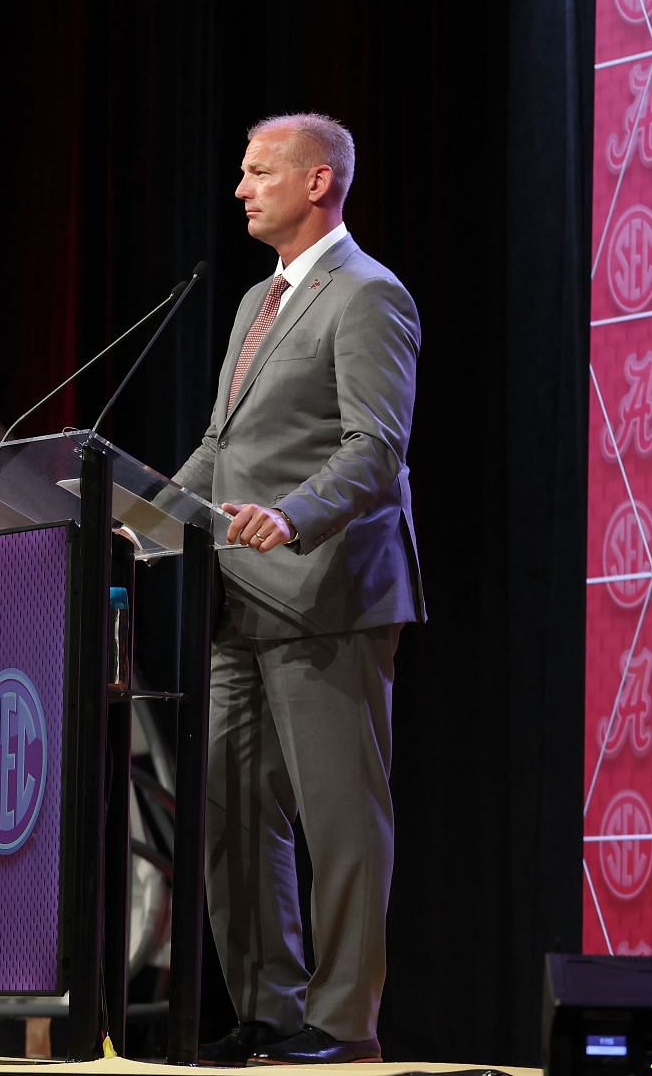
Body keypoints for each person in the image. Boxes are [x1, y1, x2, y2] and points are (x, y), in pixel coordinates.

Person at [173, 113, 425, 1065]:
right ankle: (267, 1008)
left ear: (318, 182)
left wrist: (295, 514)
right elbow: (220, 445)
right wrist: (148, 511)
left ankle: (343, 1021)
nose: (241, 187)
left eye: (259, 171)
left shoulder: (368, 296)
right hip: (235, 597)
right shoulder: (253, 303)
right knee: (230, 810)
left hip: (327, 594)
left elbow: (375, 447)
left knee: (340, 816)